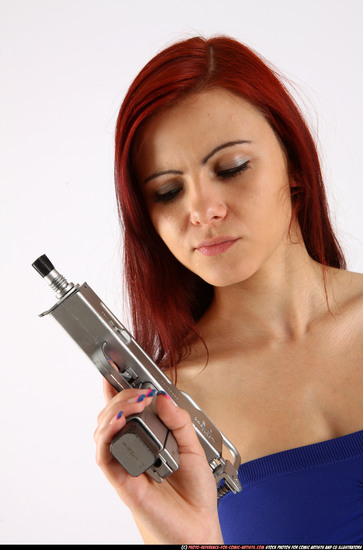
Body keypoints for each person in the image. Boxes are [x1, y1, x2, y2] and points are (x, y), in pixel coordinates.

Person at [93, 36, 363, 544]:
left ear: (295, 164)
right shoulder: (171, 411)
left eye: (231, 168)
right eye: (168, 191)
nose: (202, 210)